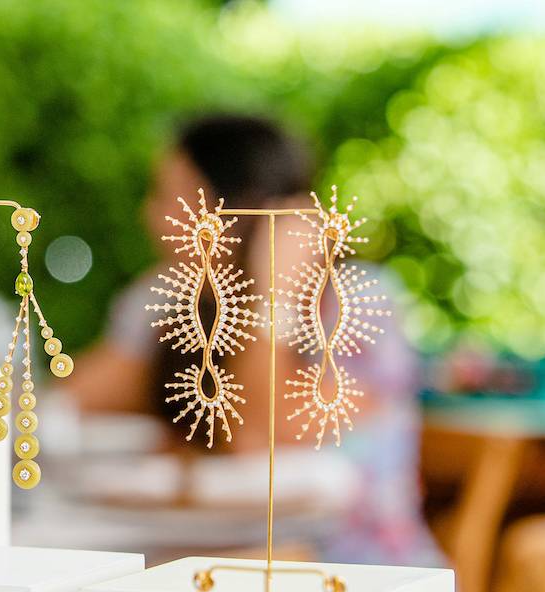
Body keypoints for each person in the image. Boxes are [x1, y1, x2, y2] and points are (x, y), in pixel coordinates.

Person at [70, 113, 443, 567]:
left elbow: (257, 435)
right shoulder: (185, 301)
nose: (151, 215)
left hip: (357, 580)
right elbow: (72, 399)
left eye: (171, 197)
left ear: (238, 209)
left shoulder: (355, 302)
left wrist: (274, 296)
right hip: (219, 568)